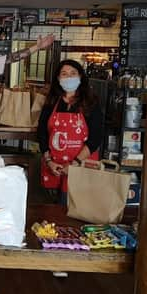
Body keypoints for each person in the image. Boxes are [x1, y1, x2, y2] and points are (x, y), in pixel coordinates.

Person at [37, 59, 103, 204]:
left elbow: (95, 138)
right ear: (58, 79)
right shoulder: (52, 102)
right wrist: (49, 161)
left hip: (82, 167)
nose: (69, 77)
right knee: (54, 214)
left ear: (80, 77)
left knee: (80, 211)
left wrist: (75, 164)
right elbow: (42, 134)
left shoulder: (90, 102)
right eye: (64, 74)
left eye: (73, 73)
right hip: (55, 168)